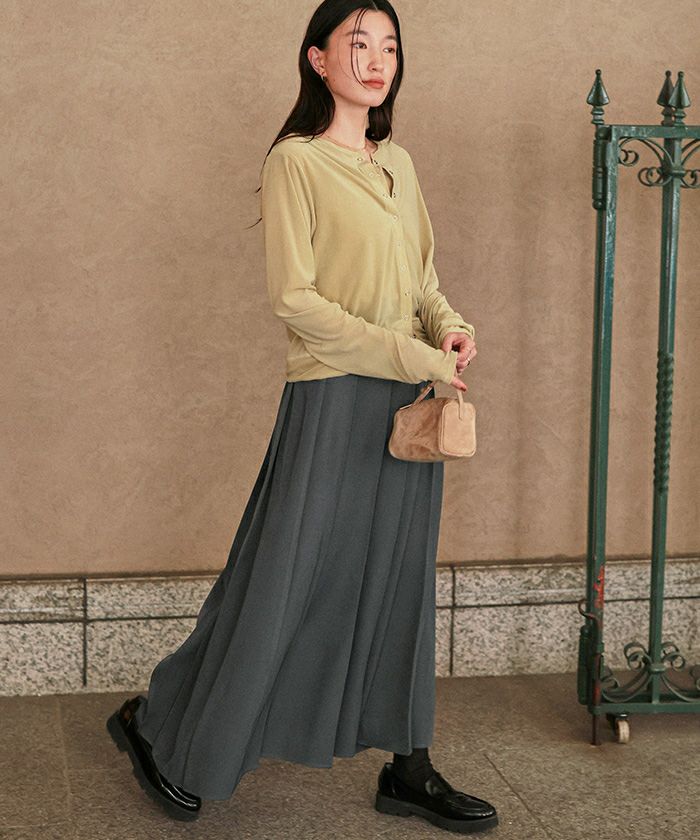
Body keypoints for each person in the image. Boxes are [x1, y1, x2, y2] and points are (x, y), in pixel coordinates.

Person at [107, 0, 498, 834]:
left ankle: (409, 766)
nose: (377, 59)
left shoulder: (399, 164)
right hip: (334, 397)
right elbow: (296, 301)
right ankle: (162, 726)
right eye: (358, 44)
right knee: (282, 580)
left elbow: (422, 281)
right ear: (318, 59)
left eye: (389, 46)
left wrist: (450, 329)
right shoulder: (296, 162)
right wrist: (417, 357)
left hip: (409, 402)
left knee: (400, 582)